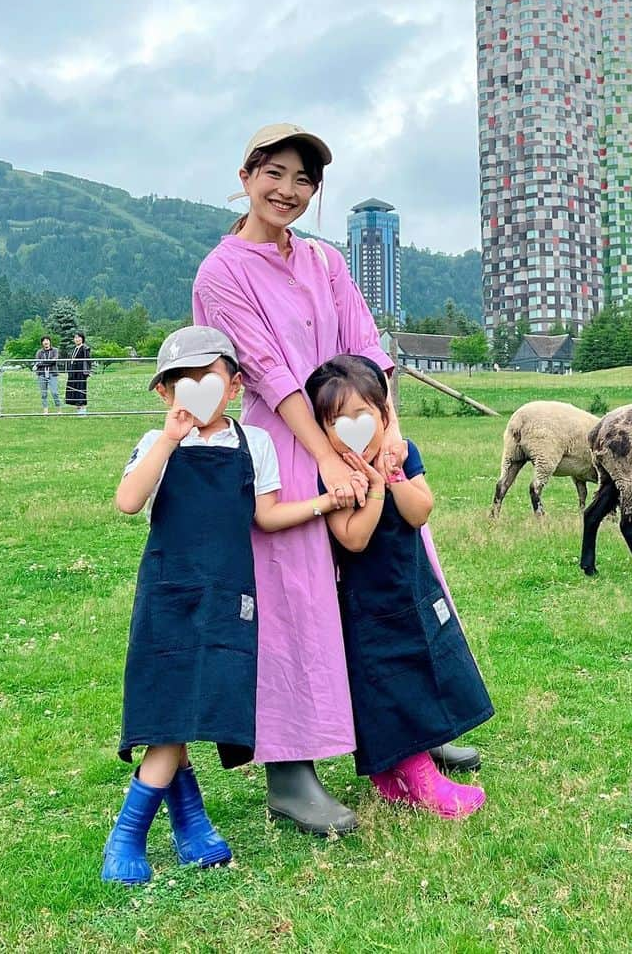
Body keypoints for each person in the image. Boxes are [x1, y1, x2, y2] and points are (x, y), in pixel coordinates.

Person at [192, 122, 481, 836]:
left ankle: (415, 723)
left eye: (303, 180)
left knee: (403, 575)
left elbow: (366, 345)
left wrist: (392, 430)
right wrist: (324, 455)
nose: (288, 191)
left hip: (364, 435)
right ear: (247, 172)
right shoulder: (221, 272)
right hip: (289, 448)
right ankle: (292, 775)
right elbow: (267, 368)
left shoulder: (324, 262)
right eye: (275, 173)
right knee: (298, 605)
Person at [101, 325, 358, 884]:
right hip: (170, 595)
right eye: (181, 380)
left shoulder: (252, 444)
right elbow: (127, 502)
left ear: (235, 385)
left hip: (229, 599)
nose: (195, 388)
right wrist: (168, 440)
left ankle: (190, 822)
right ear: (164, 393)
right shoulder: (156, 444)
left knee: (196, 706)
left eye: (207, 377)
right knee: (170, 713)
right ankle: (129, 832)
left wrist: (321, 502)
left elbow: (264, 517)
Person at [307, 355, 492, 818]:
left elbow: (420, 510)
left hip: (413, 586)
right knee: (389, 682)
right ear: (324, 430)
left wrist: (391, 478)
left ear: (384, 415)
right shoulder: (332, 477)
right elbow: (352, 536)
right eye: (337, 421)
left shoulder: (403, 455)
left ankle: (399, 771)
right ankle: (420, 778)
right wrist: (369, 491)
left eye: (362, 414)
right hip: (368, 600)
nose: (352, 427)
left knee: (427, 664)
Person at [65, 331, 93, 415]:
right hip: (73, 373)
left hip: (81, 373)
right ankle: (78, 409)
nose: (77, 339)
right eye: (75, 338)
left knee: (81, 390)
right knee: (74, 390)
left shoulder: (85, 348)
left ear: (82, 339)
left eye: (79, 337)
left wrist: (88, 371)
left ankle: (83, 410)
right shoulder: (74, 349)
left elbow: (88, 361)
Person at [33, 335, 61, 413]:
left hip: (53, 373)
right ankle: (45, 411)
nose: (46, 342)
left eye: (47, 340)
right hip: (41, 374)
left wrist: (43, 362)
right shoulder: (39, 352)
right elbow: (37, 363)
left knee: (54, 392)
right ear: (42, 343)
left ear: (50, 342)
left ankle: (59, 409)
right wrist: (47, 362)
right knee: (43, 393)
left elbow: (54, 360)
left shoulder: (55, 350)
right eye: (44, 341)